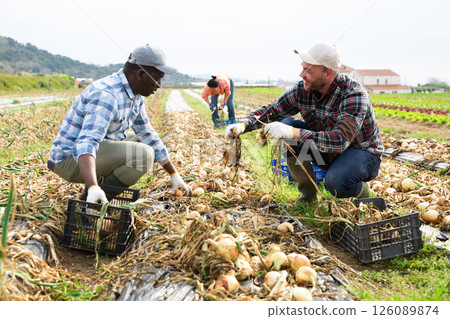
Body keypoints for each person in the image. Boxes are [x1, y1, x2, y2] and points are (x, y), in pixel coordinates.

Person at [225, 42, 384, 204]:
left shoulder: (353, 95)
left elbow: (340, 141)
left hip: (361, 152)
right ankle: (308, 196)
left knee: (336, 184)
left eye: (308, 70)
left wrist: (293, 133)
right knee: (287, 122)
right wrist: (243, 126)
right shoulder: (303, 89)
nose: (301, 74)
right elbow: (272, 111)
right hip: (326, 150)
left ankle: (362, 190)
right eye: (303, 67)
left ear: (327, 73)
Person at [48, 44, 192, 204]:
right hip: (68, 160)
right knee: (144, 155)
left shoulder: (135, 95)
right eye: (157, 79)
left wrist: (174, 175)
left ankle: (97, 190)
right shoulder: (107, 95)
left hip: (95, 150)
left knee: (142, 142)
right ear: (140, 75)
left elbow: (147, 133)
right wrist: (93, 187)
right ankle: (91, 201)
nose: (159, 85)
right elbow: (86, 143)